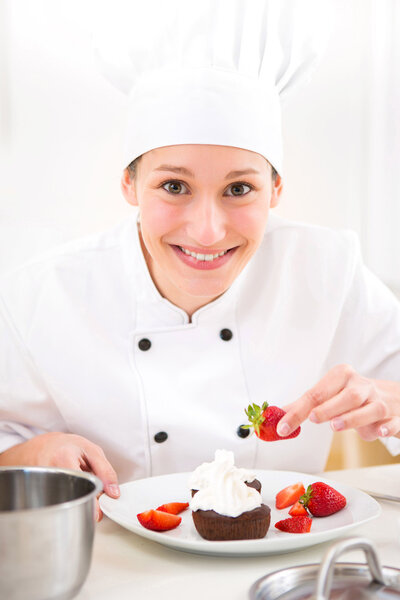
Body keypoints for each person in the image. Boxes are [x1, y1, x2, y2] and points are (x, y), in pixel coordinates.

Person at [1, 0, 400, 522]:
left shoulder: (327, 269)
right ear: (129, 184)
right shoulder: (43, 294)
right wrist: (30, 454)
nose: (208, 230)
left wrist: (390, 400)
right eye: (174, 186)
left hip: (280, 561)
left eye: (239, 188)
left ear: (276, 189)